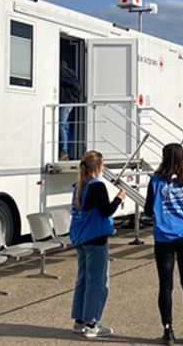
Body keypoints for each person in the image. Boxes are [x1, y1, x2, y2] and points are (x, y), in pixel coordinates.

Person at [144, 143, 183, 345]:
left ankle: (168, 330)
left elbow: (148, 210)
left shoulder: (155, 181)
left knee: (165, 285)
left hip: (164, 237)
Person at [70, 150, 126, 338]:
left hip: (81, 237)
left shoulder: (79, 185)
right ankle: (92, 323)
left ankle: (79, 320)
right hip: (95, 238)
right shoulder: (97, 186)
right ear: (97, 168)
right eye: (102, 164)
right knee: (98, 281)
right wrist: (119, 198)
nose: (103, 167)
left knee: (83, 278)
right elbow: (106, 210)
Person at [59, 59, 80, 160]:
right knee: (66, 127)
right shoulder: (71, 73)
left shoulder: (61, 73)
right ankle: (67, 150)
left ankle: (64, 151)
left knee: (61, 125)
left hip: (65, 101)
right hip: (70, 101)